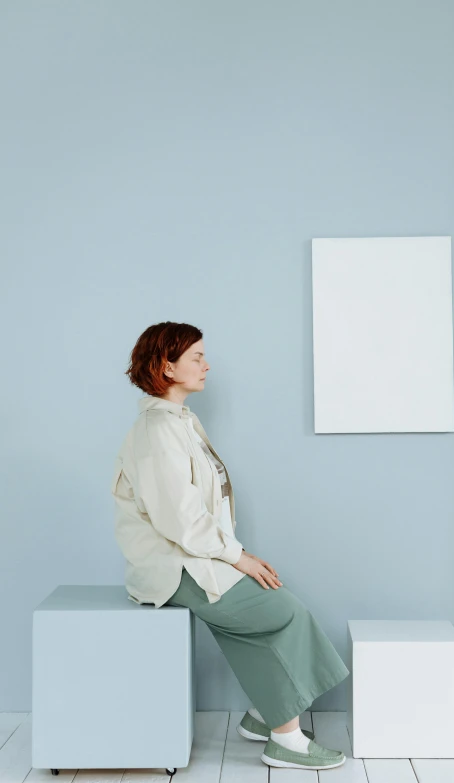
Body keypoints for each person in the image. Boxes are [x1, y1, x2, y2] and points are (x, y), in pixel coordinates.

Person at [111, 321, 350, 770]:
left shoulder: (181, 421)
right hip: (173, 567)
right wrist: (237, 557)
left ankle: (268, 716)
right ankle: (285, 740)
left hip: (198, 556)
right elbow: (178, 519)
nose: (207, 365)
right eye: (196, 357)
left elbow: (205, 508)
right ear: (167, 366)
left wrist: (237, 554)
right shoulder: (156, 431)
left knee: (261, 612)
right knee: (282, 611)